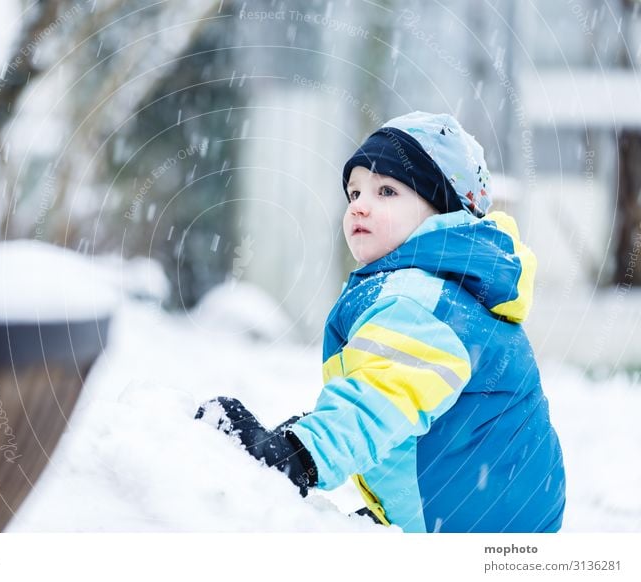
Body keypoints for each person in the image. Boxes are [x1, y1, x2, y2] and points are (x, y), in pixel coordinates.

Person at [196, 111, 566, 533]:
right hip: (495, 510)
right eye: (354, 193)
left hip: (468, 526)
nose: (360, 207)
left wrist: (297, 454)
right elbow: (399, 393)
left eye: (386, 191)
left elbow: (380, 399)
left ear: (441, 212)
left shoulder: (418, 298)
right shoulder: (447, 289)